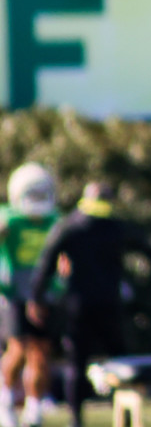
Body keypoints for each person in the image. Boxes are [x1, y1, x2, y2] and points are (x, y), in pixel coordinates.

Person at [26, 181, 151, 427]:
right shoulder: (115, 227)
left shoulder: (70, 226)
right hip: (108, 303)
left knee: (77, 362)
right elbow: (147, 247)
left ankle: (76, 419)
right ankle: (123, 414)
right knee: (120, 361)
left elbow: (46, 264)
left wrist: (36, 298)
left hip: (78, 304)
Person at [0, 164, 60, 427]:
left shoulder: (55, 221)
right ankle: (5, 398)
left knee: (41, 351)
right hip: (14, 292)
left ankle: (34, 406)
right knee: (18, 348)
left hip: (44, 293)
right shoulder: (9, 219)